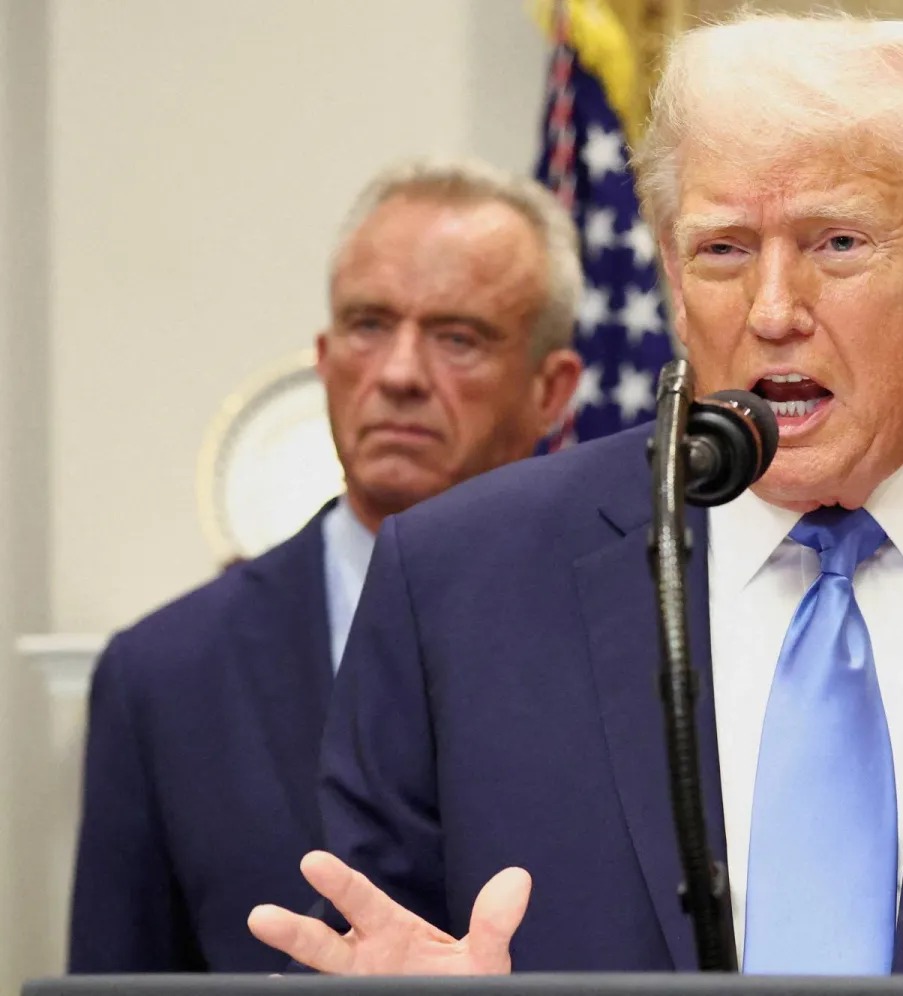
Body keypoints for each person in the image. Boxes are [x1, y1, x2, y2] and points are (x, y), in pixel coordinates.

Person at [248, 13, 903, 978]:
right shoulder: (454, 589)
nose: (773, 308)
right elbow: (353, 948)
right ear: (673, 285)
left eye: (838, 243)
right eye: (722, 250)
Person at [68, 158, 584, 972]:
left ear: (551, 391)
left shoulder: (636, 638)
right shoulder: (163, 675)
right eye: (368, 326)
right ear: (325, 354)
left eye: (458, 338)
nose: (400, 375)